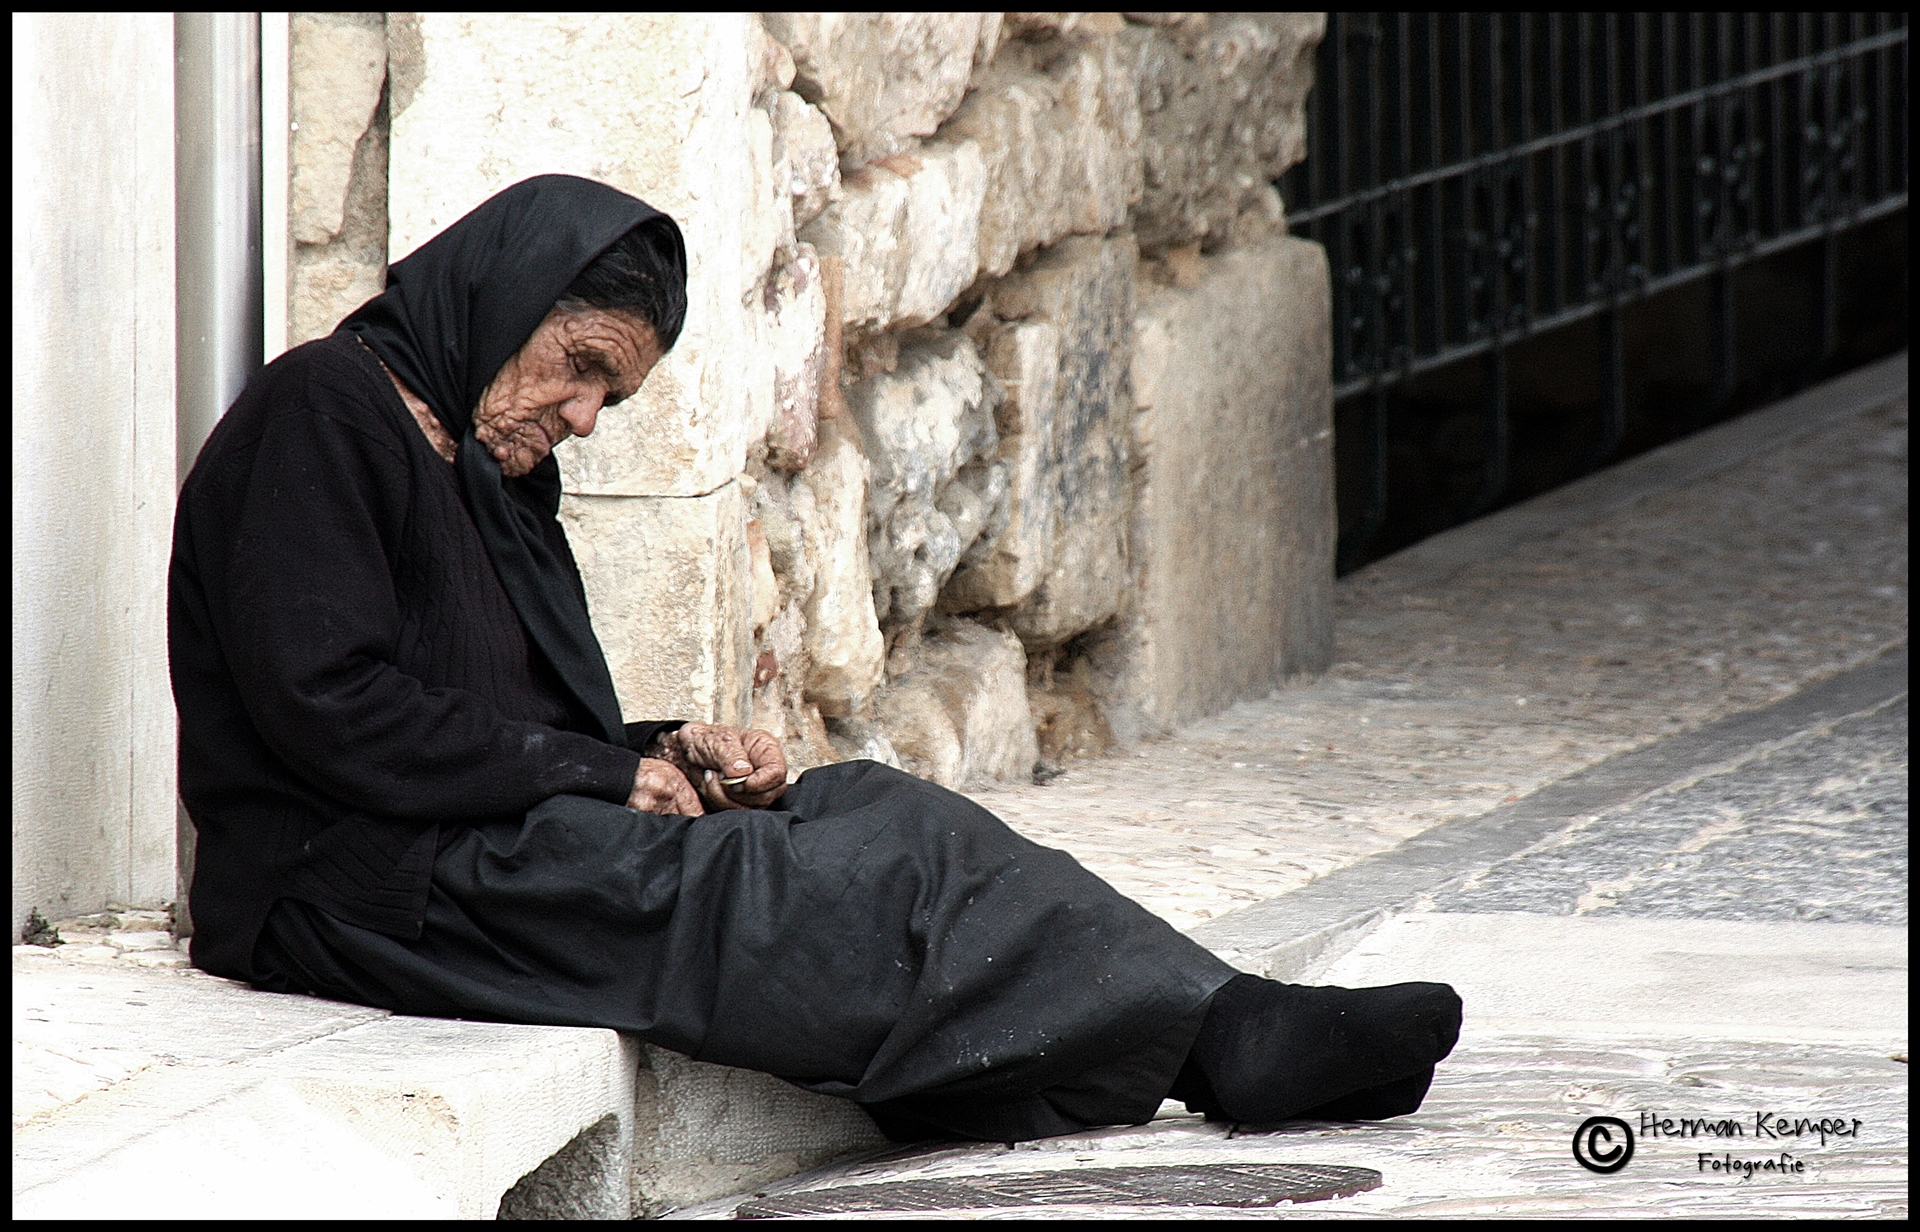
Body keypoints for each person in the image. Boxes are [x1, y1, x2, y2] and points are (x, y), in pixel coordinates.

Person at [169, 174, 1460, 1143]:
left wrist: (664, 752)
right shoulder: (324, 411)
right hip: (351, 885)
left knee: (873, 809)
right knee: (755, 890)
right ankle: (1219, 1045)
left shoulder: (492, 471)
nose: (583, 417)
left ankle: (1222, 1014)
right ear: (503, 304)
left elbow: (496, 716)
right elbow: (327, 704)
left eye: (610, 396)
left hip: (468, 835)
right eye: (578, 370)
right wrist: (602, 777)